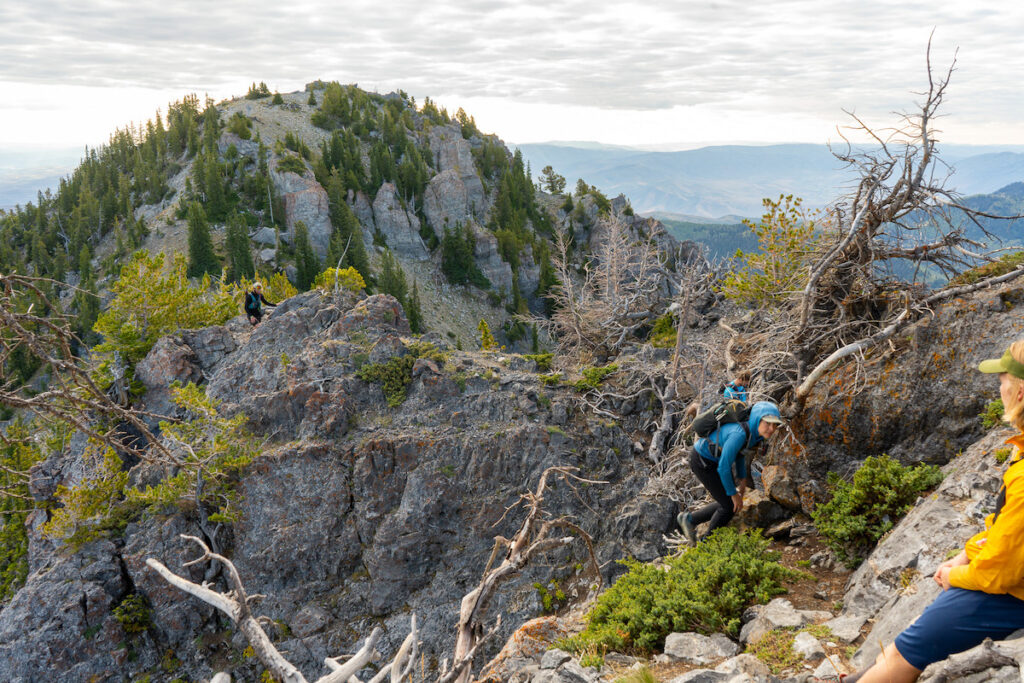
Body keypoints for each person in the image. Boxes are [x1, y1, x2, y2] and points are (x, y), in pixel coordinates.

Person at [843, 341, 1024, 683]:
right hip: (1006, 583)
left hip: (1011, 597)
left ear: (1020, 392)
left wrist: (952, 575)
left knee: (904, 652)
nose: (998, 387)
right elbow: (1010, 531)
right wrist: (967, 554)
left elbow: (1000, 575)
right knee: (905, 643)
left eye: (1002, 380)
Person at [679, 400, 784, 545]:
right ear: (757, 420)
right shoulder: (739, 434)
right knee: (728, 507)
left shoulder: (754, 434)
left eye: (775, 425)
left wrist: (742, 481)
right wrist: (733, 494)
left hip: (711, 461)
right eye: (768, 423)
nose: (771, 429)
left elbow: (740, 455)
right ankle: (706, 543)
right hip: (701, 461)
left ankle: (689, 519)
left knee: (727, 503)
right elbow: (724, 467)